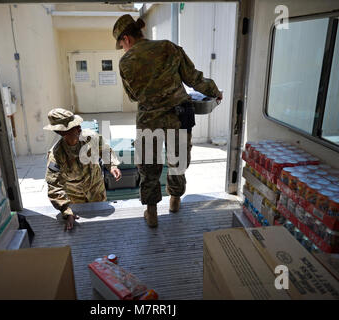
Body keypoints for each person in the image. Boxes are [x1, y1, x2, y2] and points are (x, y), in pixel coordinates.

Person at [113, 14, 223, 227]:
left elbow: (133, 96)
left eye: (122, 44)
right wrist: (215, 91)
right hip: (178, 115)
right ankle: (175, 201)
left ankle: (152, 213)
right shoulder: (169, 47)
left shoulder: (125, 62)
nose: (124, 49)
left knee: (149, 165)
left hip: (149, 119)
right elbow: (194, 78)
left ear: (126, 38)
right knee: (178, 160)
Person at [44, 108, 122, 230]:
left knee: (105, 229)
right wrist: (67, 211)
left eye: (78, 124)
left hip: (98, 192)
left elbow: (105, 150)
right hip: (76, 203)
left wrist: (112, 165)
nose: (79, 128)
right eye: (74, 127)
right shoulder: (56, 155)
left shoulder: (91, 137)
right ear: (63, 132)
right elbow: (54, 187)